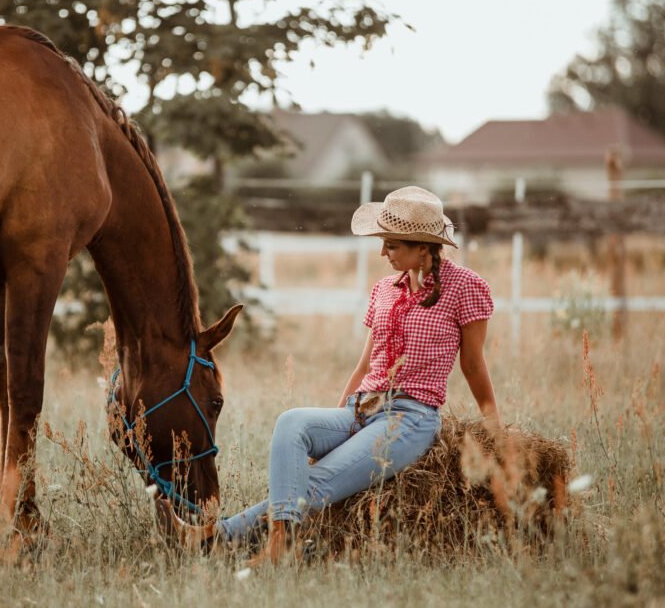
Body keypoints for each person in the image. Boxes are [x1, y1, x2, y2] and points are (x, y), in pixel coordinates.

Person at [156, 186, 499, 565]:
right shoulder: (385, 289)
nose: (382, 253)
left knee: (316, 483)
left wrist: (495, 431)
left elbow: (473, 365)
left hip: (410, 418)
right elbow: (366, 364)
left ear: (422, 247)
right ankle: (261, 542)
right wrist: (341, 417)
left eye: (391, 245)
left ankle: (230, 540)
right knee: (293, 423)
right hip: (361, 410)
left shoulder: (466, 287)